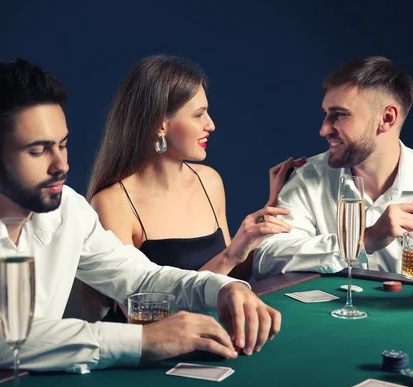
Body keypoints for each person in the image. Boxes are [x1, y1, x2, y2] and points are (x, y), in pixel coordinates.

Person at [0, 58, 281, 379]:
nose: (61, 165)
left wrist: (221, 289)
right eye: (38, 150)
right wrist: (144, 342)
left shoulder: (68, 207)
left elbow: (141, 278)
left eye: (63, 145)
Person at [254, 56, 413, 300]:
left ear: (387, 118)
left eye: (339, 115)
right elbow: (267, 258)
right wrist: (364, 239)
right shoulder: (308, 177)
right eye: (326, 114)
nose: (323, 129)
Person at [82, 55, 304, 320]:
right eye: (198, 115)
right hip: (153, 348)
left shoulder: (209, 181)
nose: (210, 124)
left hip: (210, 330)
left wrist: (267, 215)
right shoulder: (112, 202)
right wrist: (230, 255)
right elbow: (141, 312)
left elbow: (230, 279)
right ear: (159, 125)